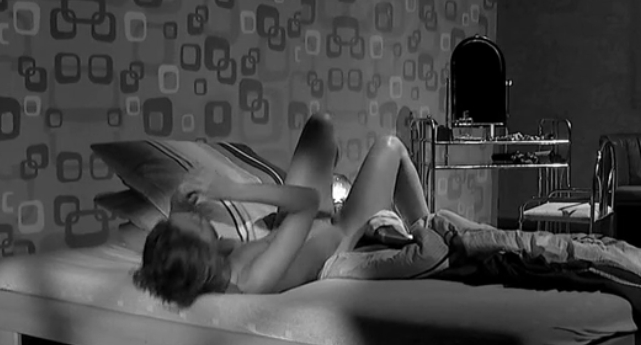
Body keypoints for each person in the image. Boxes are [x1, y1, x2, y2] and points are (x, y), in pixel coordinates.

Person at [132, 113, 431, 306]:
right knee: (390, 147)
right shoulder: (253, 280)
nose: (199, 217)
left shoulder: (211, 261)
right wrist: (231, 190)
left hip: (299, 225)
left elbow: (178, 236)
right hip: (342, 234)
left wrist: (179, 202)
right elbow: (307, 201)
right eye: (199, 225)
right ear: (203, 257)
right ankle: (428, 226)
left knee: (320, 125)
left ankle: (340, 181)